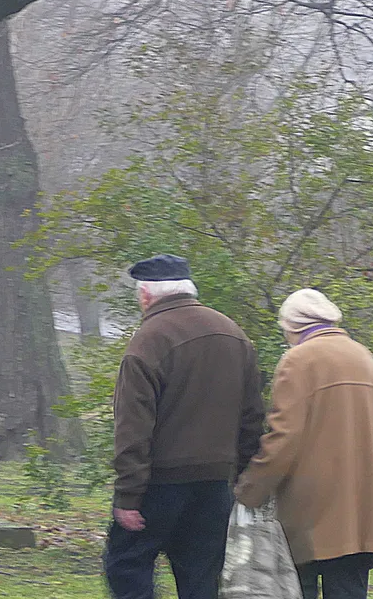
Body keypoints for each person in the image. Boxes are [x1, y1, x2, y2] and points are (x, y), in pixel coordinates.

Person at [104, 254, 266, 599]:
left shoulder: (148, 340)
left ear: (145, 295)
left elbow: (133, 427)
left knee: (127, 566)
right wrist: (241, 476)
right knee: (201, 576)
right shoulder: (234, 334)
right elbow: (252, 417)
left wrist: (128, 495)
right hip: (215, 483)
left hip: (160, 482)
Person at [235, 288, 373, 599]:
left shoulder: (298, 361)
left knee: (300, 589)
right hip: (360, 513)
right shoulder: (365, 358)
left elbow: (284, 437)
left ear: (292, 326)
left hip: (309, 513)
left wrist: (250, 489)